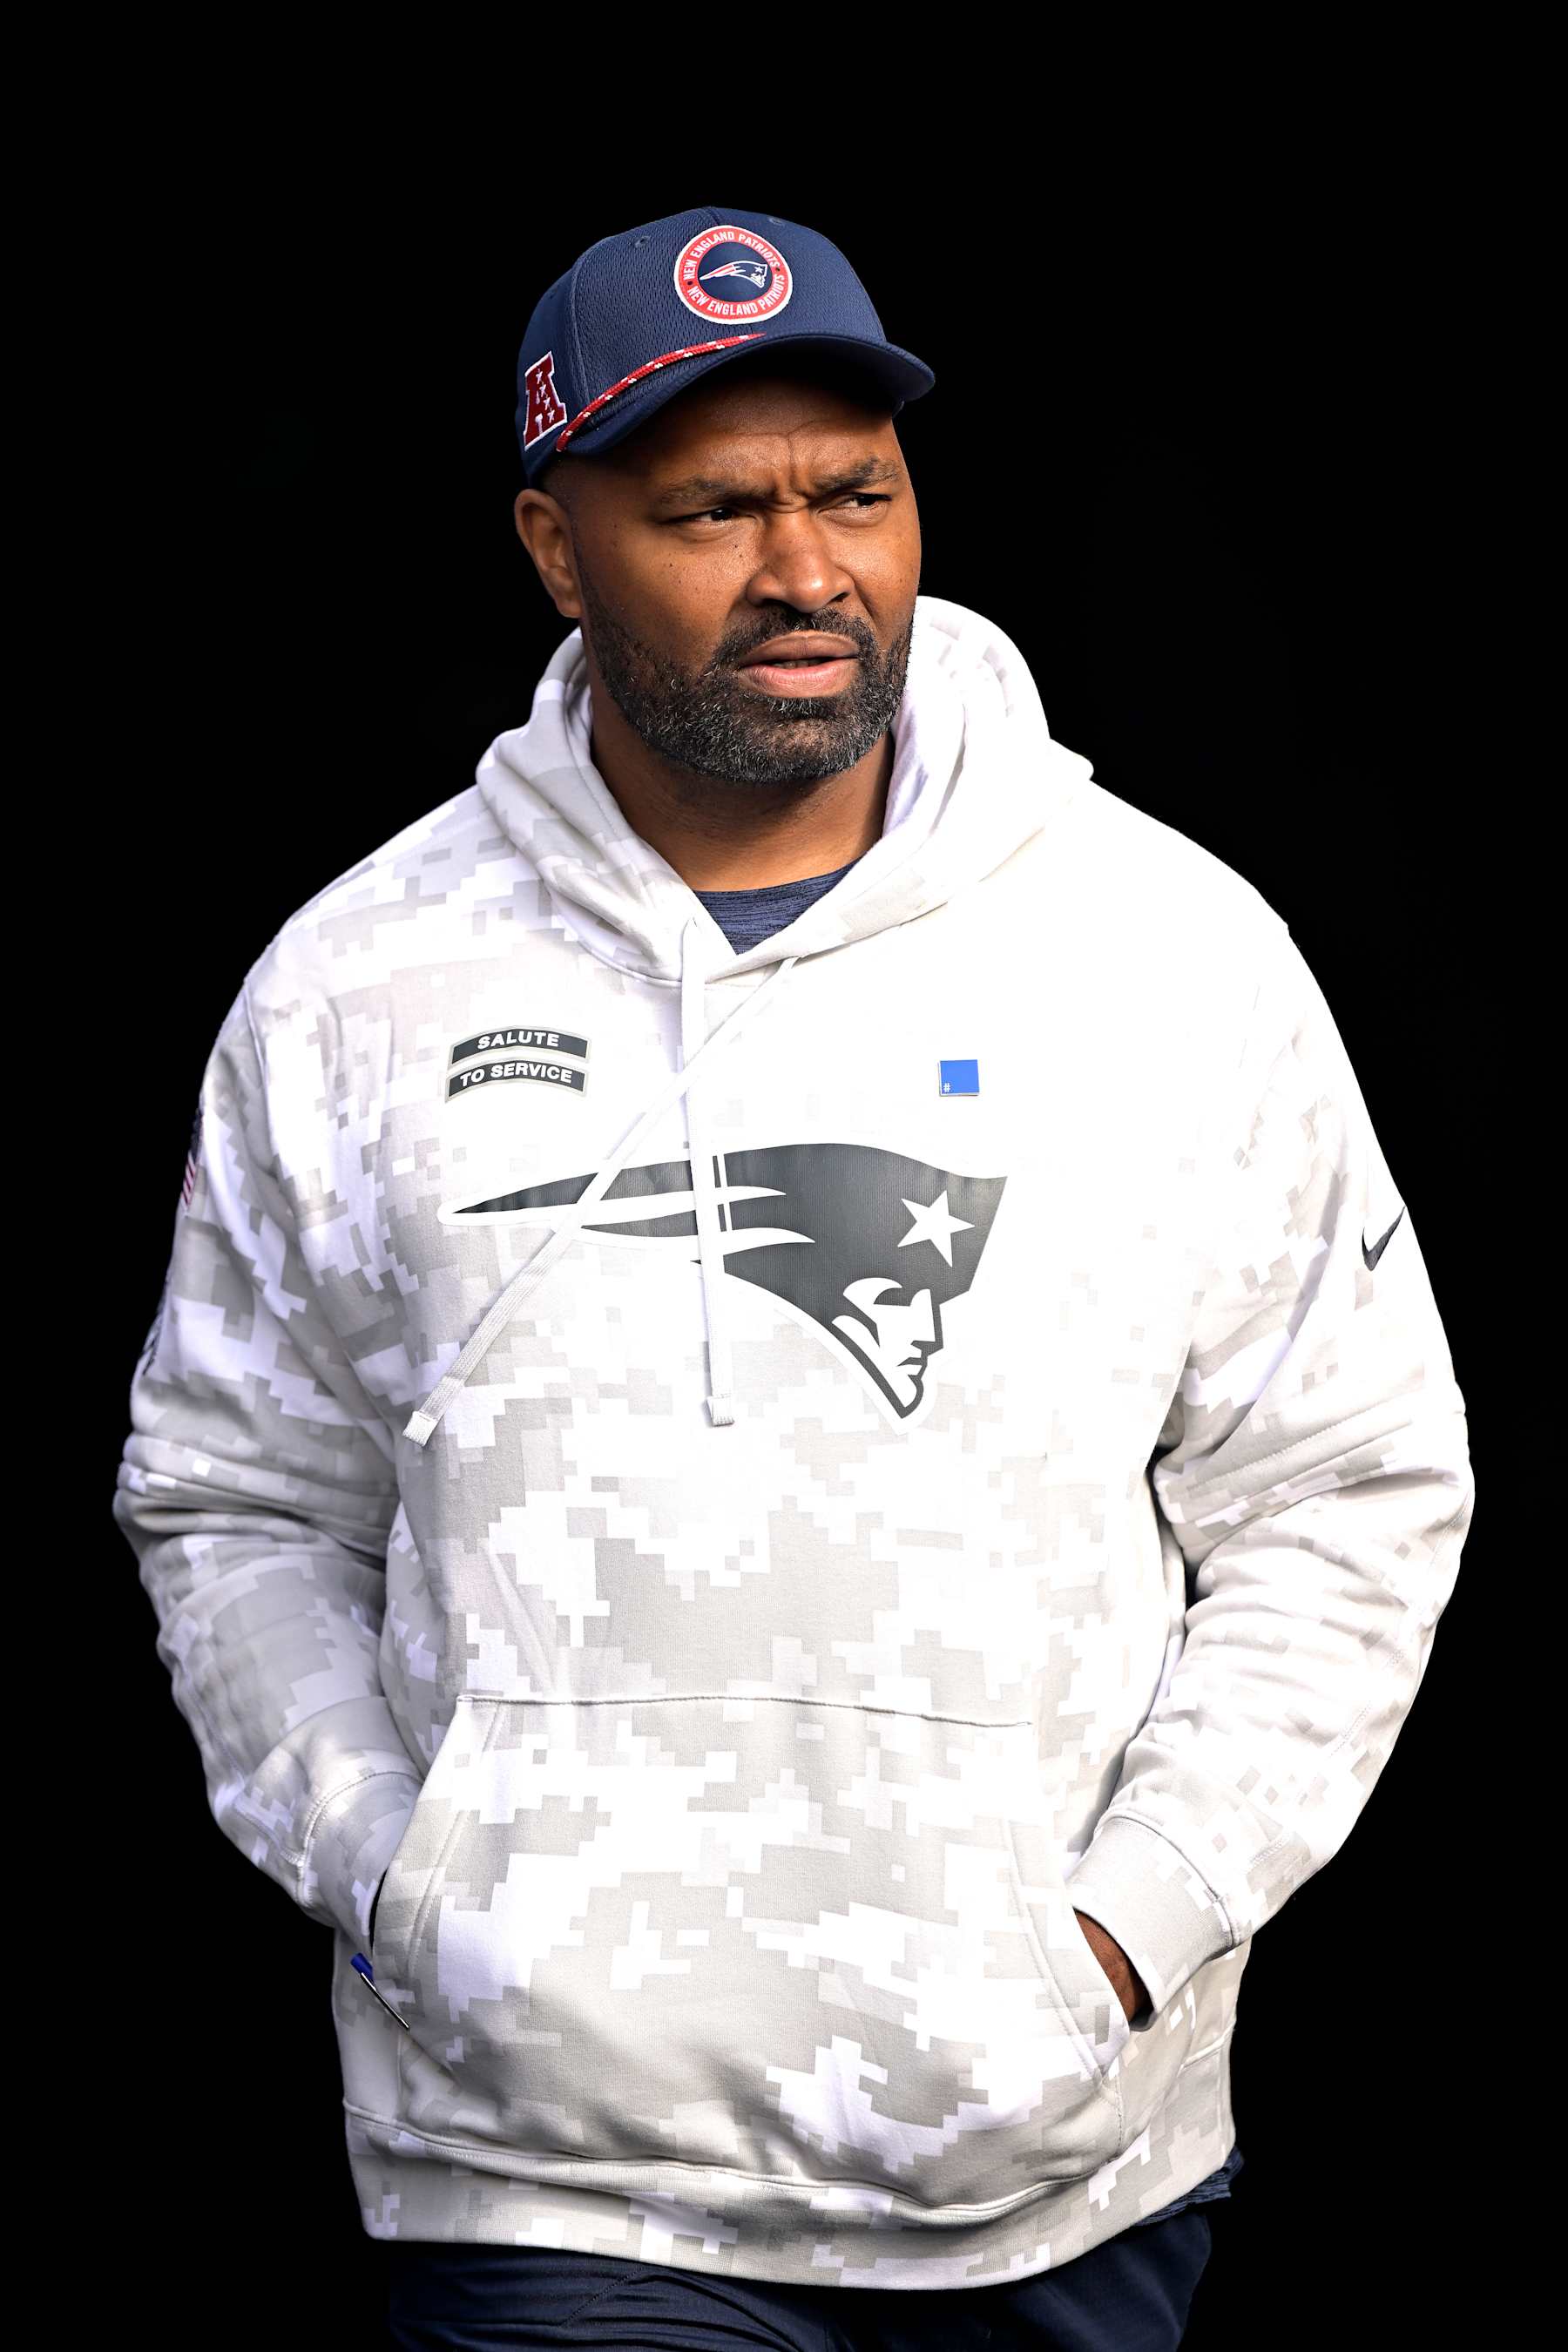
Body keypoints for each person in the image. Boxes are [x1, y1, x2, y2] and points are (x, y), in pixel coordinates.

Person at [113, 205, 1474, 2351]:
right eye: (712, 508)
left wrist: (1129, 1933)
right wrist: (401, 1889)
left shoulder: (1169, 953)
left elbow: (1347, 1490)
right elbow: (235, 1494)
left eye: (856, 492)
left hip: (1047, 2153)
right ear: (559, 549)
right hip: (553, 2165)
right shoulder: (359, 984)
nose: (807, 571)